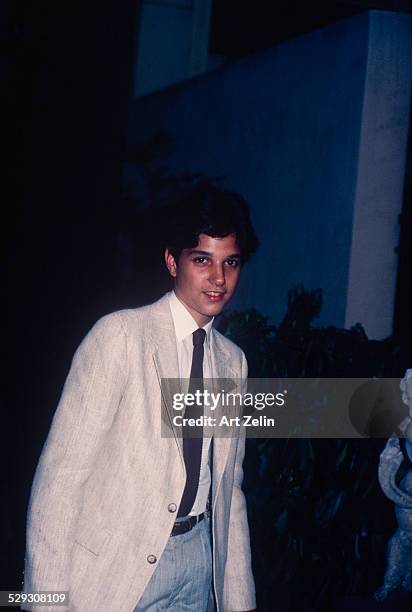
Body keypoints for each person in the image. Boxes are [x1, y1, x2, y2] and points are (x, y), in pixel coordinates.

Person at [23, 181, 258, 612]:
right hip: (117, 572)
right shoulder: (119, 337)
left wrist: (239, 598)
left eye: (231, 262)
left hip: (200, 564)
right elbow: (60, 480)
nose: (219, 278)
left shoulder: (233, 362)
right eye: (202, 259)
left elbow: (230, 489)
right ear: (172, 261)